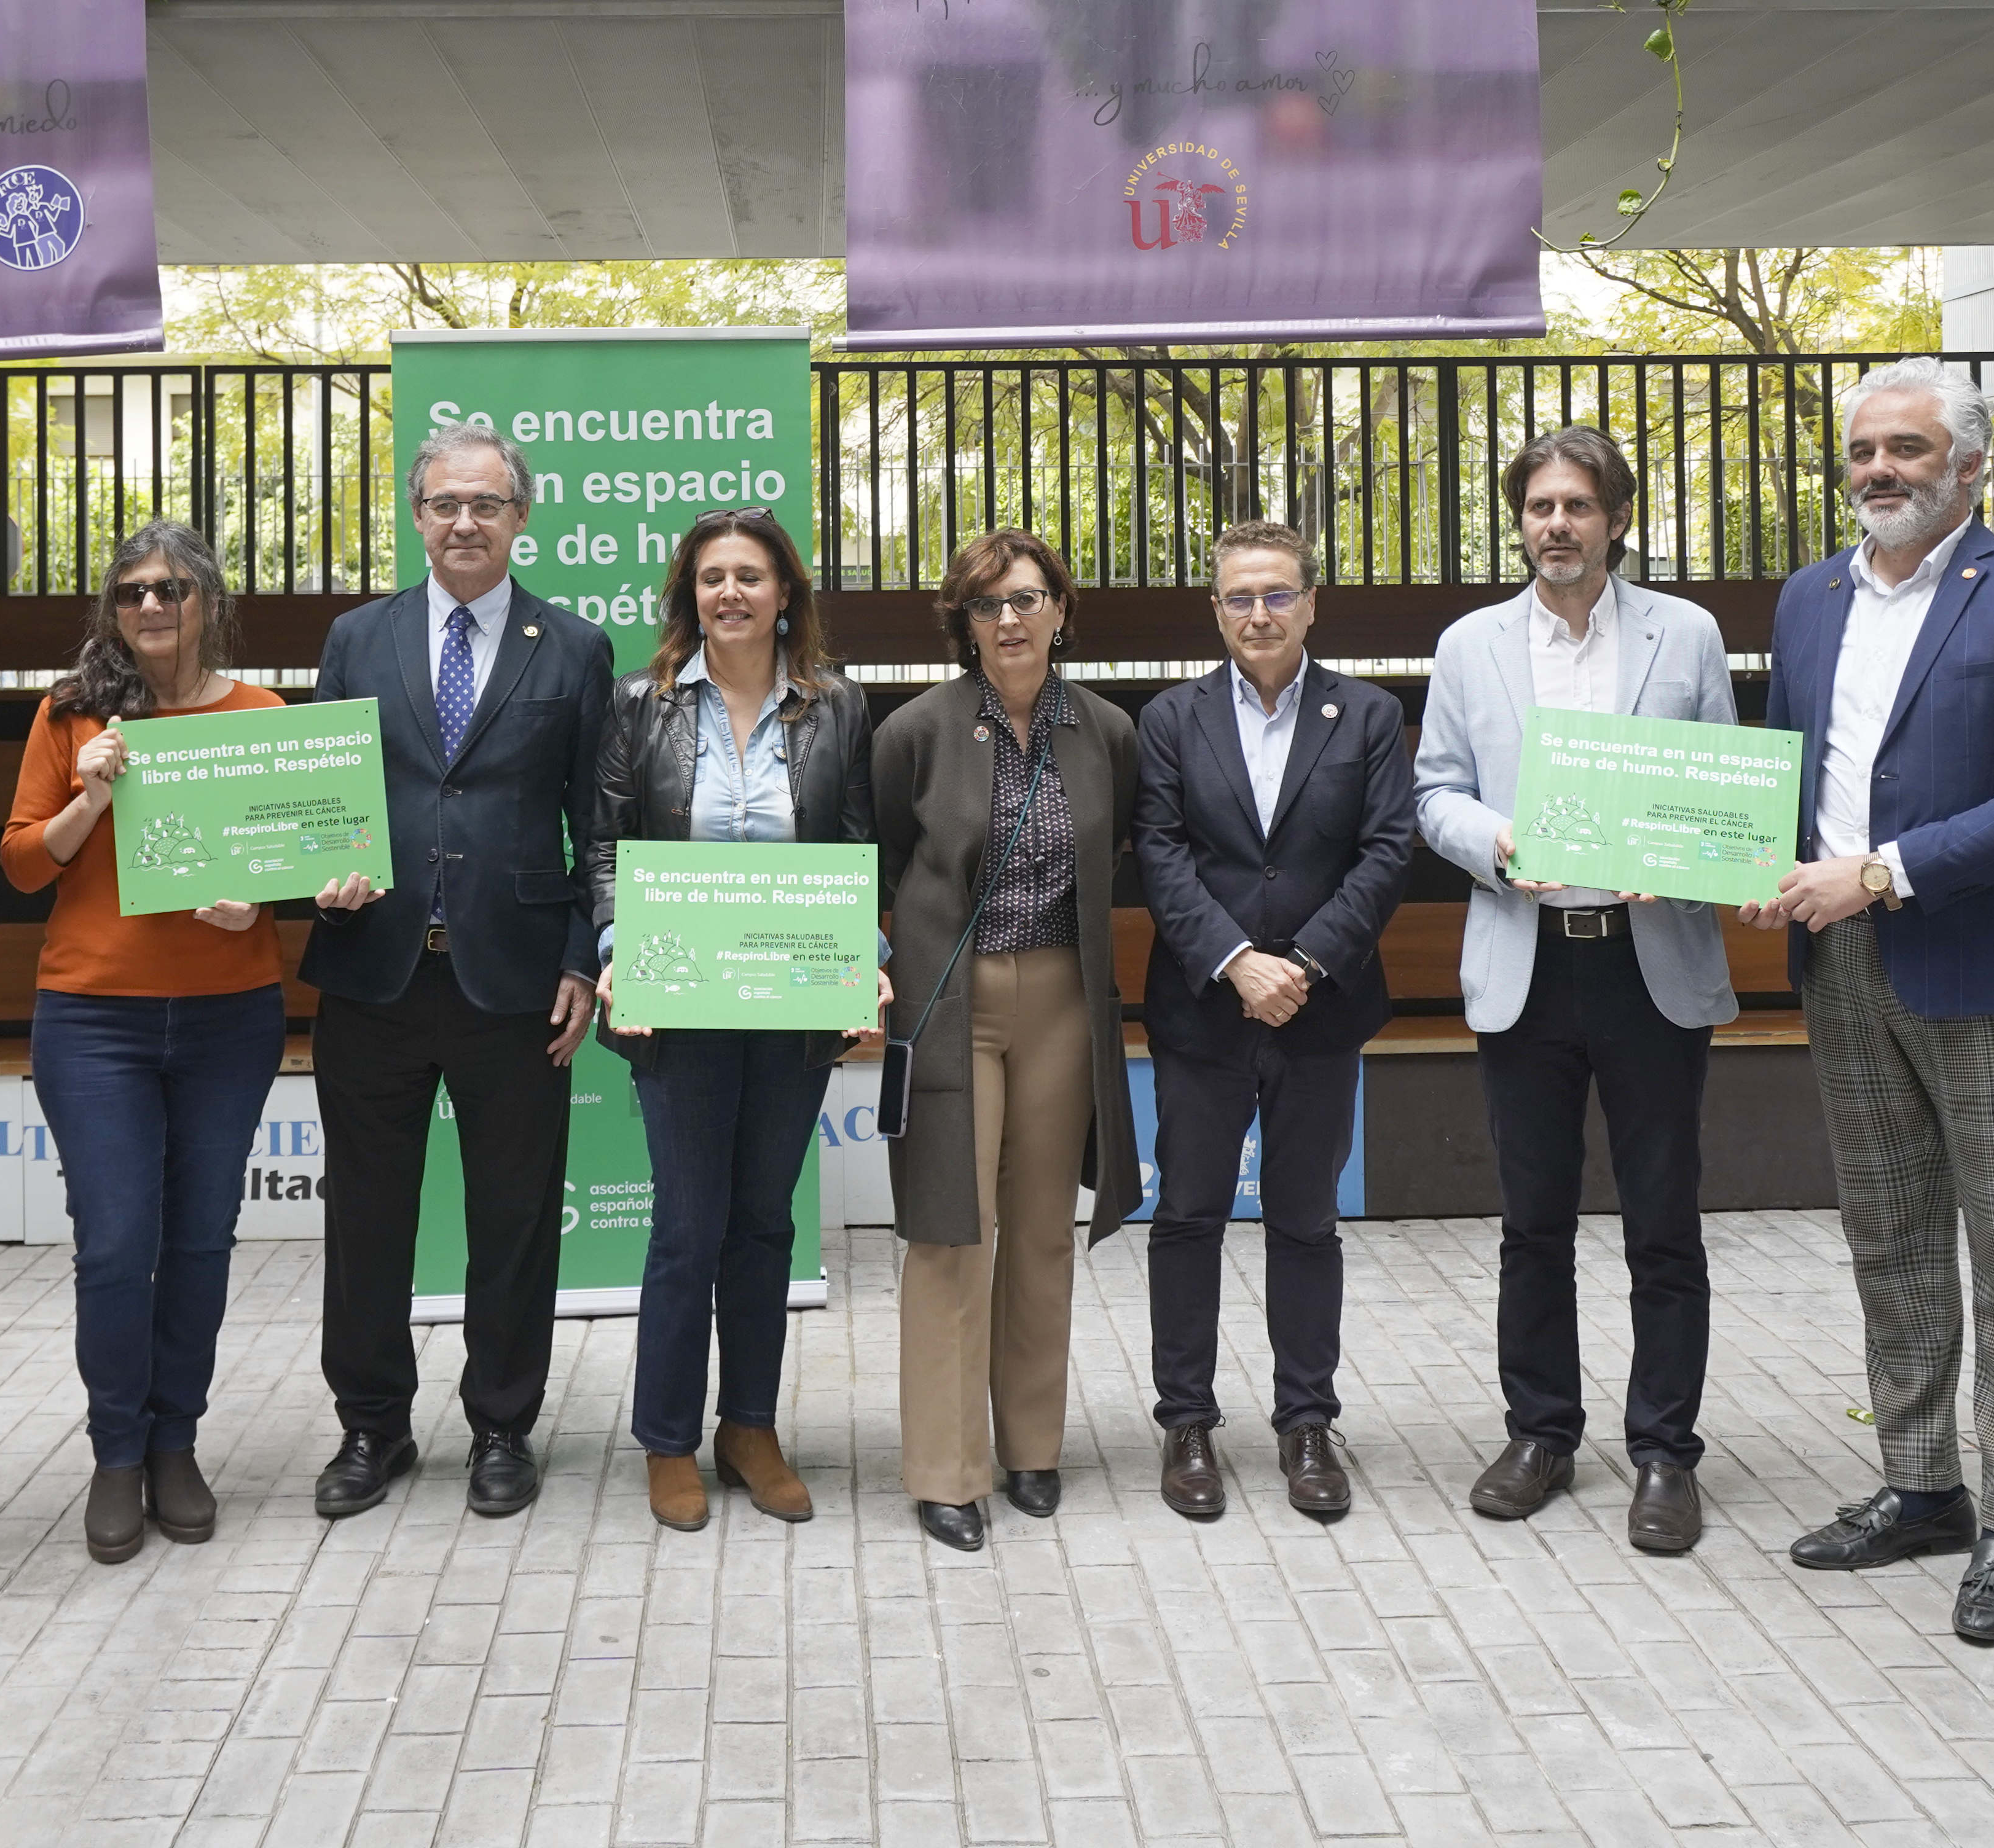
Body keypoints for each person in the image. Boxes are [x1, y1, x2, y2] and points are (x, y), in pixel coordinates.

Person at [1753, 360, 1994, 1644]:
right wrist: (1760, 863)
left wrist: (1881, 872)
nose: (1880, 469)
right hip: (1841, 966)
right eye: (1864, 449)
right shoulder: (1810, 596)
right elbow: (1795, 767)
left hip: (1989, 964)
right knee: (1889, 1239)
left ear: (1972, 466)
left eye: (1908, 447)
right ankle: (1919, 1484)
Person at [1412, 426, 1740, 1555]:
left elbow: (1725, 786)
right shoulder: (1471, 644)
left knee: (1664, 1221)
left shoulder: (1686, 635)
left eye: (1579, 507)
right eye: (1541, 506)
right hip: (1528, 957)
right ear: (1522, 521)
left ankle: (1666, 1455)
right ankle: (1541, 1433)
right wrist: (1500, 843)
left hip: (1651, 963)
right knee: (1533, 1223)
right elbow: (1433, 793)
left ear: (1617, 520)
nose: (1558, 524)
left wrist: (1691, 857)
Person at [299, 418, 614, 1522]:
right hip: (373, 972)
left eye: (487, 504)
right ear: (417, 515)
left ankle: (502, 1426)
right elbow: (321, 790)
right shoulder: (357, 637)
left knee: (516, 1217)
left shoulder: (572, 648)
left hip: (517, 980)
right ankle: (372, 1426)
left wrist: (585, 955)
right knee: (370, 1218)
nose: (465, 521)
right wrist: (318, 871)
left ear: (521, 517)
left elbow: (598, 822)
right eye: (445, 504)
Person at [583, 509, 882, 1533]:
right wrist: (619, 954)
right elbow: (606, 849)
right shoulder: (641, 704)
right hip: (678, 1005)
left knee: (763, 1223)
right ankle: (668, 1438)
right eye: (712, 578)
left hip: (794, 1005)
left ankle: (749, 1427)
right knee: (686, 1226)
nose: (731, 595)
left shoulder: (838, 710)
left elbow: (855, 848)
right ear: (690, 595)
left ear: (786, 593)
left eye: (751, 576)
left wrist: (869, 965)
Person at [0, 521, 288, 1566]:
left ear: (208, 600)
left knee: (202, 1238)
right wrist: (92, 794)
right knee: (119, 1243)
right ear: (112, 612)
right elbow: (26, 865)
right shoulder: (72, 715)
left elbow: (295, 855)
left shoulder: (260, 716)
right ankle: (116, 1451)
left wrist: (252, 897)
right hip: (96, 1018)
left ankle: (178, 1443)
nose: (152, 608)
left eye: (172, 589)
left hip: (228, 1012)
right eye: (131, 594)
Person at [1131, 519, 1414, 1523]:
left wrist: (1301, 964)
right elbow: (1158, 854)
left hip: (1321, 1010)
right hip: (1205, 1010)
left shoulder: (1368, 715)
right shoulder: (1169, 719)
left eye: (1278, 594)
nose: (1260, 613)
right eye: (1241, 597)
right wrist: (1238, 963)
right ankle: (1188, 1424)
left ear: (1311, 603)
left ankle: (1307, 1423)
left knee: (1305, 1222)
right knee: (1189, 1218)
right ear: (1216, 611)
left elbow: (1387, 852)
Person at [875, 528, 1142, 1552]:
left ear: (1061, 610)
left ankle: (1032, 1447)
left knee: (1038, 1231)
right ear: (965, 626)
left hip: (1063, 1002)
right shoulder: (917, 731)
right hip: (952, 1002)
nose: (1012, 620)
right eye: (989, 606)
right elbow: (890, 862)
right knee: (952, 1232)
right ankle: (947, 1469)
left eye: (1029, 599)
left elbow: (1115, 847)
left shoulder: (1107, 729)